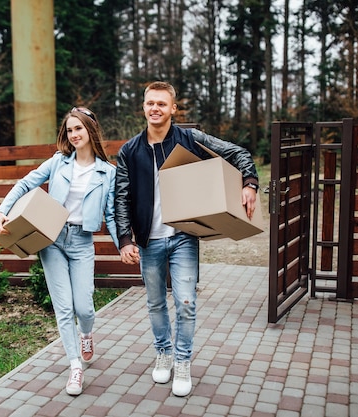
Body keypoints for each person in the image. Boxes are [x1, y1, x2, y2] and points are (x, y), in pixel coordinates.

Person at [114, 81, 259, 397]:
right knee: (155, 303)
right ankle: (163, 352)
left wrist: (250, 182)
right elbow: (121, 197)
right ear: (143, 107)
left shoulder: (190, 139)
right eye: (150, 103)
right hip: (148, 241)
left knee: (186, 303)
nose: (155, 108)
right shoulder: (129, 151)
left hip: (183, 237)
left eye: (162, 104)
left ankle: (182, 361)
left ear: (172, 108)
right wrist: (125, 239)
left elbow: (238, 152)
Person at [0, 107, 119, 396]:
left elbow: (110, 215)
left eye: (79, 129)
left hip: (82, 242)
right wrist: (3, 210)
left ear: (90, 130)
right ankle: (75, 367)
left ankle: (86, 335)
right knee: (63, 308)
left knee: (84, 307)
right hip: (51, 239)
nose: (74, 135)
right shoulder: (58, 162)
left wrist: (123, 245)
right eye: (69, 130)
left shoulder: (107, 172)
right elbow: (26, 182)